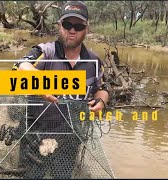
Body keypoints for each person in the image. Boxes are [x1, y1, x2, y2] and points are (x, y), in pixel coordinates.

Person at [11, 1, 110, 178]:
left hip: (69, 139)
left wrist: (101, 101)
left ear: (86, 28)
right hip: (35, 133)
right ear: (59, 26)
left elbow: (102, 89)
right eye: (67, 24)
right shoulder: (45, 52)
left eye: (78, 25)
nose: (72, 30)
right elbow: (20, 65)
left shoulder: (94, 62)